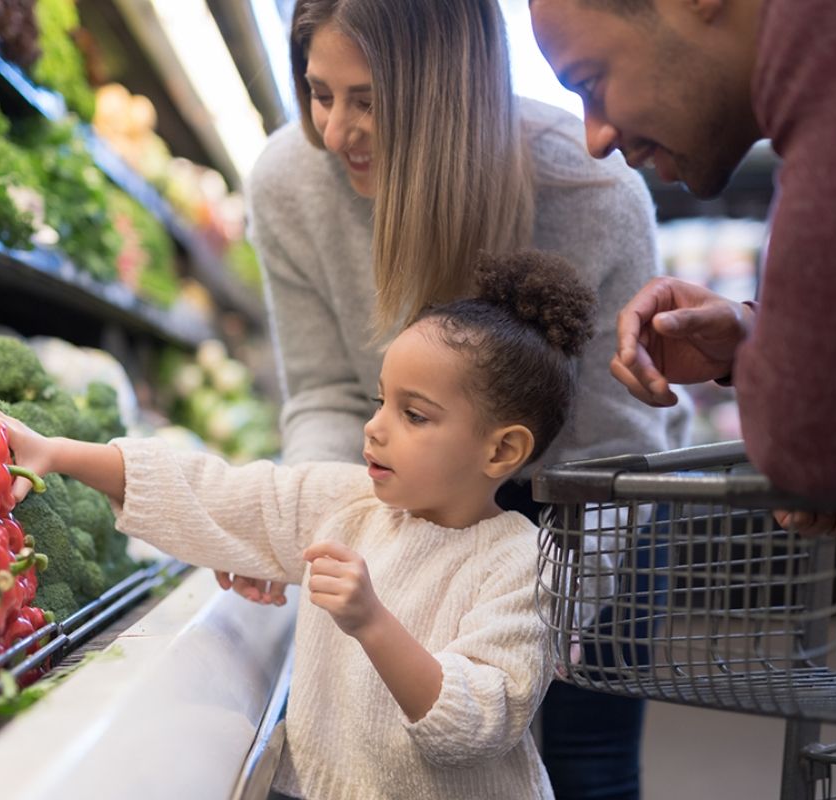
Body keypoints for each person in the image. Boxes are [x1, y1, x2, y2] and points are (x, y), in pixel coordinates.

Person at [221, 1, 691, 797]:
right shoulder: (289, 182)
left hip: (582, 506)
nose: (336, 132)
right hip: (409, 503)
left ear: (448, 92)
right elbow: (328, 394)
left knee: (590, 766)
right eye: (320, 92)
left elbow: (613, 447)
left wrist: (539, 628)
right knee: (402, 753)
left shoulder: (591, 192)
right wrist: (308, 527)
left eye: (367, 100)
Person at [0, 251, 595, 799]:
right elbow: (220, 494)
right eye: (381, 400)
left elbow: (475, 723)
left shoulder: (521, 564)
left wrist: (372, 622)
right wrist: (57, 452)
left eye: (415, 415)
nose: (375, 427)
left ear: (501, 452)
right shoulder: (347, 504)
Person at [527, 0, 836, 506]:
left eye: (590, 83)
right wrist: (754, 334)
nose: (594, 138)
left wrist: (791, 385)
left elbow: (811, 451)